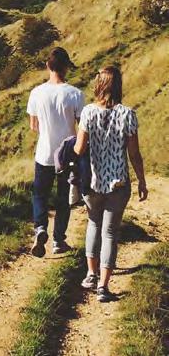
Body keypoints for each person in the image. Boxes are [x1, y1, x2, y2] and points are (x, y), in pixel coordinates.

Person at [74, 66, 148, 303]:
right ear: (118, 86)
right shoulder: (128, 114)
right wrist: (142, 181)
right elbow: (134, 154)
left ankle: (90, 274)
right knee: (110, 233)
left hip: (93, 182)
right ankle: (103, 287)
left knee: (93, 225)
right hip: (118, 183)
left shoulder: (87, 113)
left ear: (99, 84)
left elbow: (79, 149)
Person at [27, 47, 84, 257]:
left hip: (44, 152)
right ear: (66, 67)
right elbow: (82, 128)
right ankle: (59, 240)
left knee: (40, 195)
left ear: (47, 66)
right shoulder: (75, 94)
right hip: (67, 155)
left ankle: (40, 228)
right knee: (63, 199)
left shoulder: (36, 93)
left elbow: (34, 126)